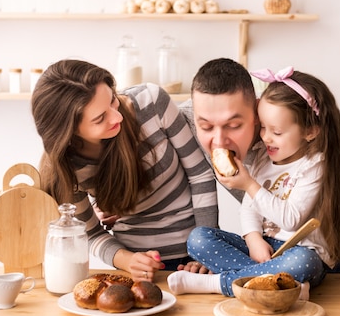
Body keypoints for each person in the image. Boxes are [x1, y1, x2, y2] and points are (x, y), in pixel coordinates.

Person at [177, 58, 340, 274]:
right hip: (271, 234)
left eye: (234, 125)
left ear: (257, 112)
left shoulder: (288, 116)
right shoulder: (186, 117)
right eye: (206, 127)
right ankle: (266, 282)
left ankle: (240, 280)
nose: (219, 140)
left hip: (335, 224)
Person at [167, 67, 340, 297]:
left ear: (310, 131)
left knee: (304, 262)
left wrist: (249, 184)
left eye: (276, 132)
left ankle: (216, 285)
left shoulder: (314, 165)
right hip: (265, 246)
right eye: (263, 127)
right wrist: (252, 238)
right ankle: (284, 286)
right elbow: (249, 207)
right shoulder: (266, 154)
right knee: (198, 238)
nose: (265, 137)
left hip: (298, 249)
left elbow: (291, 221)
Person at [31, 59, 218, 283]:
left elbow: (200, 175)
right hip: (136, 271)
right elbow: (90, 234)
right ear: (69, 133)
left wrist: (207, 250)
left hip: (197, 259)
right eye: (100, 118)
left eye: (113, 100)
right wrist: (127, 260)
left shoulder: (151, 101)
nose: (117, 116)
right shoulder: (67, 169)